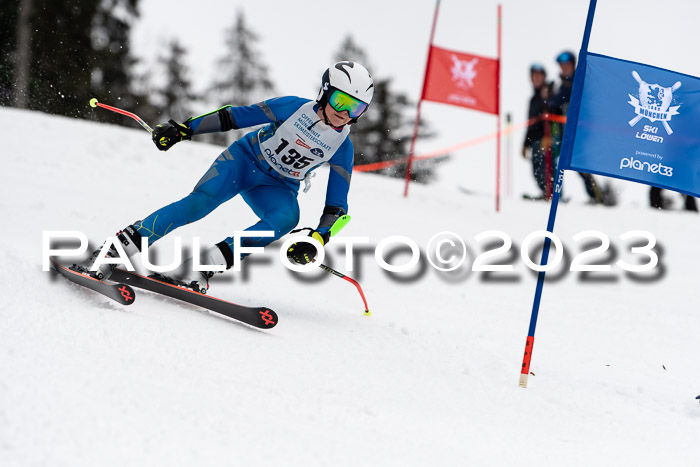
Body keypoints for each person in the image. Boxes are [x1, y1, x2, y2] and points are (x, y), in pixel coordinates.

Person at [77, 61, 374, 293]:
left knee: (287, 218)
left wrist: (319, 237)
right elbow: (235, 116)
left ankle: (202, 267)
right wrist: (185, 129)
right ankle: (116, 249)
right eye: (340, 101)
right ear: (324, 92)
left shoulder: (342, 147)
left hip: (278, 186)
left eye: (356, 107)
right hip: (243, 161)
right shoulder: (292, 107)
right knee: (199, 204)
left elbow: (336, 206)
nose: (345, 113)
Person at [551, 50, 616, 206]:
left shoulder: (579, 83)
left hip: (580, 134)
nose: (564, 68)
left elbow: (589, 106)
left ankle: (598, 197)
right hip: (563, 134)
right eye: (562, 65)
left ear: (573, 65)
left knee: (580, 165)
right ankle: (554, 194)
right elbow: (556, 106)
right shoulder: (560, 87)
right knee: (553, 160)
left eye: (567, 64)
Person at [522, 63, 555, 199]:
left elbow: (554, 114)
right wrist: (525, 144)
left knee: (548, 168)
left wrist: (551, 136)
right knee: (536, 170)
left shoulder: (549, 93)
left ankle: (553, 195)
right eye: (533, 76)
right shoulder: (533, 99)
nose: (536, 78)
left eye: (539, 75)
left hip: (546, 139)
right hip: (534, 140)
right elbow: (531, 124)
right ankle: (546, 193)